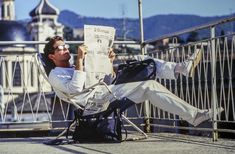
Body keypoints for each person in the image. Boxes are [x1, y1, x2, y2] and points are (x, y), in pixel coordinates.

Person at [43, 36, 223, 127]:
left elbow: (105, 78)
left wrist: (108, 62)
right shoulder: (56, 75)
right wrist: (80, 61)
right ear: (52, 56)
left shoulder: (72, 67)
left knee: (143, 61)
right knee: (149, 85)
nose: (66, 49)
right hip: (96, 100)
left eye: (66, 46)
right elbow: (75, 91)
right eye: (61, 48)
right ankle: (194, 113)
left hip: (106, 89)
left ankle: (180, 69)